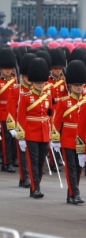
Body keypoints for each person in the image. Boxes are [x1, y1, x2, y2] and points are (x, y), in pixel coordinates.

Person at [17, 58, 52, 199]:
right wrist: (21, 136)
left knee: (41, 162)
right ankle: (35, 188)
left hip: (44, 132)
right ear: (32, 82)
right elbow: (20, 117)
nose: (40, 85)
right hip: (31, 133)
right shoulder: (25, 97)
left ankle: (36, 184)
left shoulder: (47, 97)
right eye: (38, 82)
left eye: (42, 82)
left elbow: (50, 115)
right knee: (33, 160)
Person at [55, 60, 86, 204]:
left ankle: (71, 194)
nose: (79, 88)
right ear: (70, 86)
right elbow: (57, 121)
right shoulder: (63, 101)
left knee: (78, 170)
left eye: (80, 85)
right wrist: (55, 139)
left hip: (81, 141)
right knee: (71, 168)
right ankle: (75, 194)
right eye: (76, 85)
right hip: (67, 138)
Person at [6, 53, 36, 188]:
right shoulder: (16, 90)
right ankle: (25, 177)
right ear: (22, 76)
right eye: (27, 76)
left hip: (35, 126)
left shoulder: (38, 91)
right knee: (23, 154)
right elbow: (10, 109)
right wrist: (12, 126)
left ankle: (30, 177)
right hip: (21, 125)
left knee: (34, 156)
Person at [0, 48, 17, 173]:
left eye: (10, 68)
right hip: (2, 115)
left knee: (13, 141)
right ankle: (6, 163)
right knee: (5, 141)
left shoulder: (16, 82)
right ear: (0, 69)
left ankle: (13, 159)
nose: (8, 71)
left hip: (13, 115)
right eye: (5, 68)